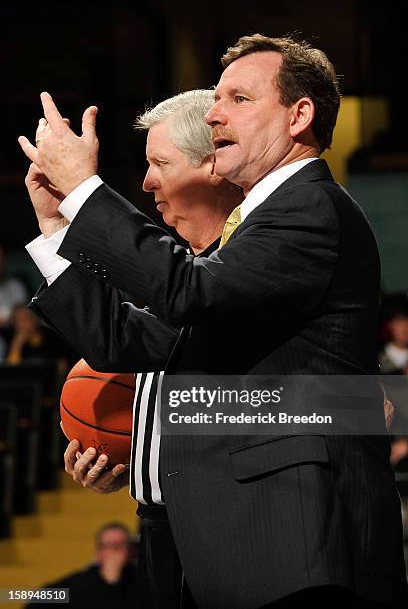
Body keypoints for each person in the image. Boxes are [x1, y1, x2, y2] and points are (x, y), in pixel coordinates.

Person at [18, 34, 407, 608]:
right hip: (220, 536)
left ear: (300, 115)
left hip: (287, 542)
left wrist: (84, 190)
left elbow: (187, 293)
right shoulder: (254, 237)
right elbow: (127, 340)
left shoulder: (308, 208)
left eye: (239, 99)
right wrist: (56, 230)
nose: (217, 111)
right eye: (217, 98)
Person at [24, 89, 243, 608]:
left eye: (159, 163)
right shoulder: (186, 275)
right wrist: (132, 458)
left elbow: (116, 340)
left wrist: (79, 197)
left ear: (212, 164)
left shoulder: (237, 269)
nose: (145, 183)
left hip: (231, 527)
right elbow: (131, 346)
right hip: (165, 527)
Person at [25, 522, 151, 608]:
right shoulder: (80, 582)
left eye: (120, 546)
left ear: (130, 551)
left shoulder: (141, 580)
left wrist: (113, 583)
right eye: (109, 546)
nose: (115, 552)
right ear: (99, 552)